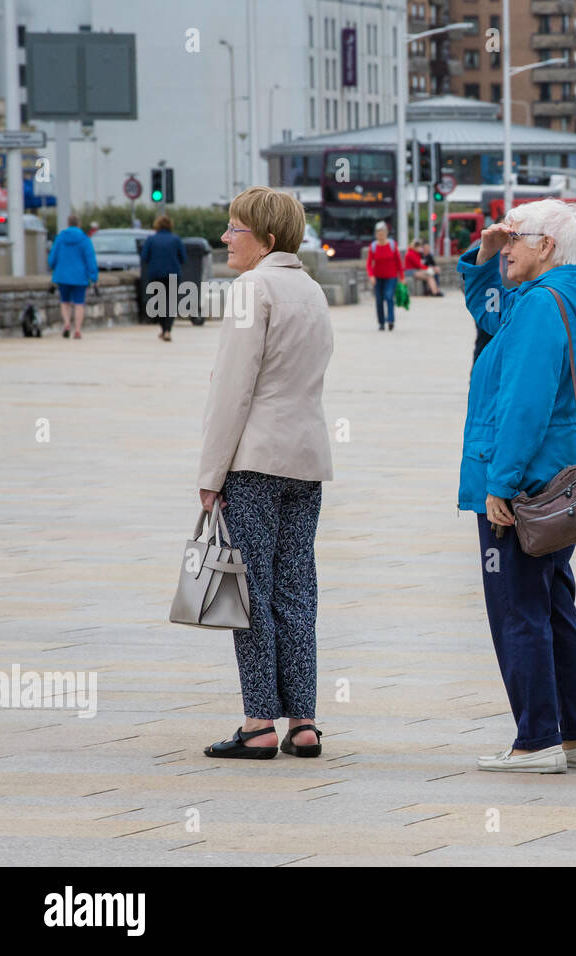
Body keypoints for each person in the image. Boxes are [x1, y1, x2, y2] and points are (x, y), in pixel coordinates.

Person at [456, 199, 576, 773]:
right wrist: (485, 255)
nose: (507, 249)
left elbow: (522, 405)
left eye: (516, 240)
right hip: (558, 483)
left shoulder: (537, 309)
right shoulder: (558, 298)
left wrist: (498, 484)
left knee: (517, 608)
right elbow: (488, 311)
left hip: (524, 485)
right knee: (552, 604)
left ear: (546, 246)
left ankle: (535, 739)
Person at [198, 186, 334, 760]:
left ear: (266, 240)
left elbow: (233, 391)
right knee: (296, 588)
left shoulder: (251, 288)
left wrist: (210, 474)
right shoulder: (311, 290)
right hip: (306, 461)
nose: (226, 239)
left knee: (249, 591)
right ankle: (303, 720)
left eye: (235, 229)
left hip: (254, 461)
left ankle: (258, 723)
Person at [48, 214, 97, 339]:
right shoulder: (84, 239)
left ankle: (66, 324)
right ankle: (78, 329)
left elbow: (52, 258)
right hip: (80, 277)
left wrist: (53, 267)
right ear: (79, 224)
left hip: (62, 275)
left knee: (65, 302)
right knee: (79, 303)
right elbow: (90, 259)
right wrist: (94, 277)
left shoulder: (60, 238)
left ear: (68, 224)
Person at [140, 214, 187, 342]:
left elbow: (144, 257)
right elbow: (183, 257)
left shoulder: (151, 239)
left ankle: (163, 328)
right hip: (173, 274)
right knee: (171, 303)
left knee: (159, 303)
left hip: (156, 274)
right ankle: (168, 330)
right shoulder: (176, 239)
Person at [366, 221, 403, 330]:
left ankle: (390, 320)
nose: (381, 235)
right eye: (379, 233)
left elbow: (398, 261)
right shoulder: (373, 247)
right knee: (379, 299)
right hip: (378, 277)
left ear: (386, 233)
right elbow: (369, 264)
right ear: (376, 234)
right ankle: (381, 322)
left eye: (383, 233)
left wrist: (402, 276)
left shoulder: (392, 245)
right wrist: (371, 275)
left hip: (391, 276)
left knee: (389, 296)